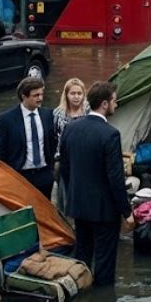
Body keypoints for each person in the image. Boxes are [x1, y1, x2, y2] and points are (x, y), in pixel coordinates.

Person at [58, 81, 132, 287]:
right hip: (103, 209)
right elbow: (115, 178)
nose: (116, 105)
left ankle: (80, 295)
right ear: (105, 104)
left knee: (82, 255)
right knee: (105, 262)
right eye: (114, 101)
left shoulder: (70, 129)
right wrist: (126, 211)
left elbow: (64, 168)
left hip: (79, 205)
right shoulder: (110, 134)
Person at [0, 76, 58, 198]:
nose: (40, 99)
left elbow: (53, 143)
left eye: (41, 94)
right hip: (20, 176)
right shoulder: (6, 119)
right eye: (36, 95)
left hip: (44, 175)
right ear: (23, 96)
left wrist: (50, 170)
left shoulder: (48, 115)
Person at [52, 78, 89, 214]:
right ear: (66, 94)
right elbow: (55, 137)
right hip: (64, 159)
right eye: (72, 93)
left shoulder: (88, 112)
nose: (76, 97)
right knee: (66, 192)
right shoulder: (57, 113)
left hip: (85, 158)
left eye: (79, 93)